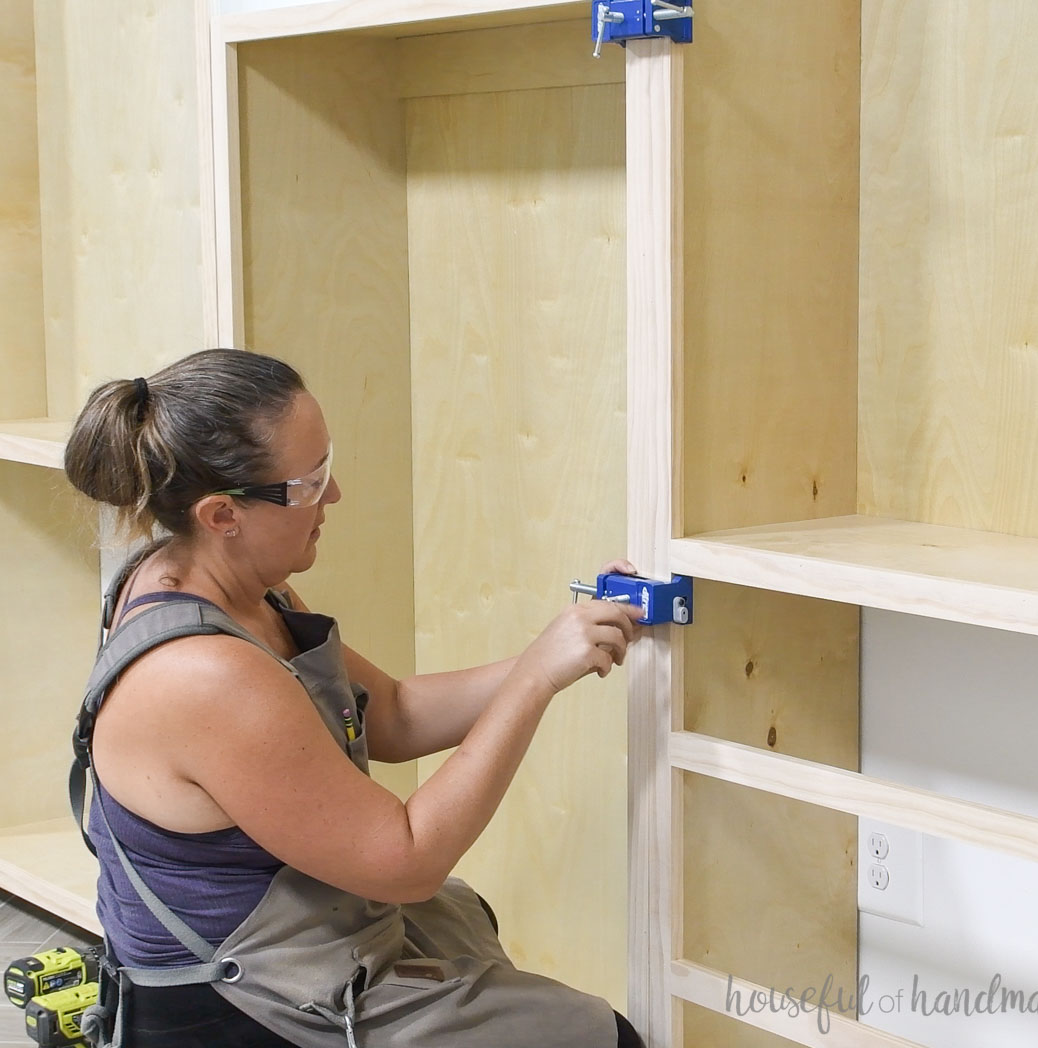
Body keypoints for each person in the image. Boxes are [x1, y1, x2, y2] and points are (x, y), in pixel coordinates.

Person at [64, 347, 647, 1048]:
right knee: (600, 1036)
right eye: (308, 483)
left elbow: (393, 713)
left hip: (299, 953)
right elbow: (407, 860)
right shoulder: (204, 674)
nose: (332, 497)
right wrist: (535, 682)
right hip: (233, 1012)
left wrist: (566, 643)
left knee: (464, 919)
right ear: (222, 514)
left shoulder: (234, 585)